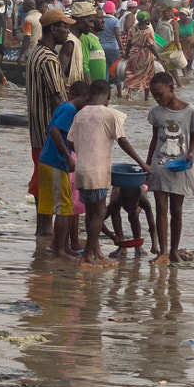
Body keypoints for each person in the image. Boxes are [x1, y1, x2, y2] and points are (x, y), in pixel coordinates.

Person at [69, 79, 141, 266]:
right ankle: (86, 257)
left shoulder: (80, 114)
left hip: (81, 170)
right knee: (100, 212)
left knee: (91, 213)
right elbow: (122, 141)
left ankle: (96, 253)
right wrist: (142, 163)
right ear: (108, 95)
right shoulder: (109, 114)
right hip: (97, 171)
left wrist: (85, 149)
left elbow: (70, 141)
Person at [24, 7, 71, 239]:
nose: (68, 32)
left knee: (41, 181)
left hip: (36, 130)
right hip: (50, 133)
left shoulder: (34, 53)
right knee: (50, 186)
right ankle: (45, 232)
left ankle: (43, 232)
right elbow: (57, 98)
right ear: (54, 28)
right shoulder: (50, 60)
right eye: (65, 27)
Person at [146, 72, 194, 264]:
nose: (157, 99)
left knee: (176, 209)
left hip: (181, 167)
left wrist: (191, 153)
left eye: (160, 94)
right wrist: (147, 164)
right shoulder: (156, 113)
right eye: (154, 95)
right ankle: (163, 252)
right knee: (160, 207)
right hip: (159, 165)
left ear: (171, 88)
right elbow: (154, 139)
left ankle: (174, 251)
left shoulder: (189, 110)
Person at [37, 79, 85, 259]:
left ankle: (62, 247)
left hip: (51, 161)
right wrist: (67, 156)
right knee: (64, 207)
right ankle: (59, 250)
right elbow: (55, 131)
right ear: (84, 97)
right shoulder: (70, 109)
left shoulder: (65, 107)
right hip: (54, 162)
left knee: (64, 206)